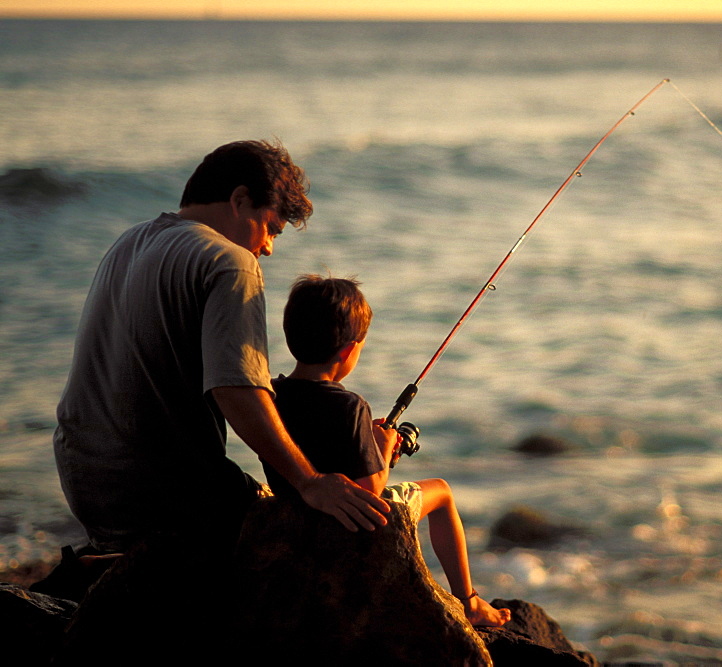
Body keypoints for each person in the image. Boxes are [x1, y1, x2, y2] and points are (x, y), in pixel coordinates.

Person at [53, 140, 391, 558]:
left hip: (83, 479)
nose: (268, 247)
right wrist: (309, 481)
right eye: (272, 228)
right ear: (241, 199)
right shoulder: (229, 261)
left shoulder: (129, 242)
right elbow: (235, 390)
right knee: (317, 534)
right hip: (161, 492)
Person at [263, 274, 511, 627]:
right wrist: (382, 450)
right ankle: (468, 600)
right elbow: (371, 491)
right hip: (349, 523)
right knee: (441, 491)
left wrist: (371, 445)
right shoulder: (351, 406)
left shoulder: (271, 395)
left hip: (294, 509)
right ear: (349, 350)